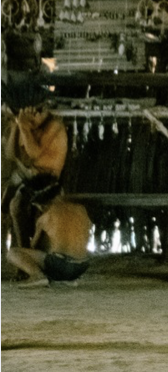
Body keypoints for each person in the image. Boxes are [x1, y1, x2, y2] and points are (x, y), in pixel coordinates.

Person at [4, 102, 68, 255]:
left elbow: (34, 154)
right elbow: (11, 154)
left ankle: (30, 256)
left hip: (50, 181)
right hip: (31, 180)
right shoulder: (31, 126)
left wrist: (24, 127)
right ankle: (24, 252)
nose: (34, 116)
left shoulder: (54, 126)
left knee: (20, 205)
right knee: (12, 204)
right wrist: (16, 125)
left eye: (37, 113)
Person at [6, 176, 91, 286]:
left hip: (62, 266)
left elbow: (32, 249)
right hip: (82, 266)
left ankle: (38, 276)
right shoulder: (81, 209)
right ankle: (64, 280)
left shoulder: (45, 218)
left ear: (40, 205)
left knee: (12, 253)